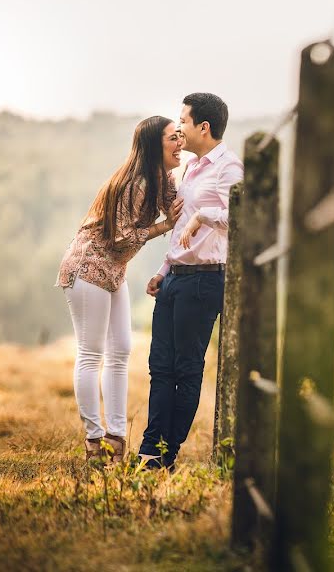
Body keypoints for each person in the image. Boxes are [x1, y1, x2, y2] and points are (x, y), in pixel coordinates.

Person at [57, 116, 184, 463]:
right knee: (91, 352)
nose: (180, 143)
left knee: (122, 350)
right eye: (173, 138)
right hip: (87, 267)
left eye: (181, 136)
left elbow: (179, 204)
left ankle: (116, 437)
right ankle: (94, 440)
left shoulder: (163, 177)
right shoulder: (137, 182)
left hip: (114, 269)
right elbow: (121, 236)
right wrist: (165, 225)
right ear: (153, 145)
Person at [138, 93, 244, 470]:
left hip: (203, 282)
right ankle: (150, 452)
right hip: (174, 280)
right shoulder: (190, 169)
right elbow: (180, 227)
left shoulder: (228, 167)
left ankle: (167, 454)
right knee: (160, 366)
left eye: (182, 120)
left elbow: (240, 218)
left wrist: (204, 216)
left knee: (186, 369)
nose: (178, 127)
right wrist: (163, 271)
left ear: (204, 127)